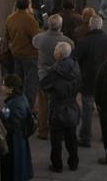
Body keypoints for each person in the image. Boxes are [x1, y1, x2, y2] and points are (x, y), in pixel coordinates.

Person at [39, 41, 81, 172]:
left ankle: (57, 165)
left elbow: (44, 85)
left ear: (58, 54)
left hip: (58, 107)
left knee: (56, 139)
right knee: (72, 137)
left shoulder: (55, 71)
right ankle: (73, 163)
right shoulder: (75, 68)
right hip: (72, 105)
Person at [33, 14, 74, 140]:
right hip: (60, 76)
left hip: (44, 75)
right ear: (60, 26)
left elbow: (34, 43)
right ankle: (57, 128)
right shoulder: (67, 41)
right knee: (58, 104)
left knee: (43, 103)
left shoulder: (39, 38)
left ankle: (43, 130)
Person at [73, 15, 107, 147]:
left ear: (90, 25)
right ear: (101, 25)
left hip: (88, 80)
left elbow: (74, 58)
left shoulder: (84, 42)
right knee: (105, 110)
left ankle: (85, 137)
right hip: (105, 81)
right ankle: (106, 136)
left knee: (87, 111)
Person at [6, 0, 41, 107]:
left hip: (16, 53)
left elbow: (7, 35)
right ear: (28, 5)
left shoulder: (10, 18)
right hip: (29, 55)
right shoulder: (30, 19)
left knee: (18, 81)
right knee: (30, 83)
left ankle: (16, 103)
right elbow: (36, 39)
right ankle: (29, 107)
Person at [0, 74, 34, 181]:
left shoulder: (14, 104)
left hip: (15, 141)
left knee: (14, 166)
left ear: (11, 89)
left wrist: (0, 122)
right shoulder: (20, 99)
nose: (2, 87)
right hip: (19, 139)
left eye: (4, 85)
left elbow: (14, 126)